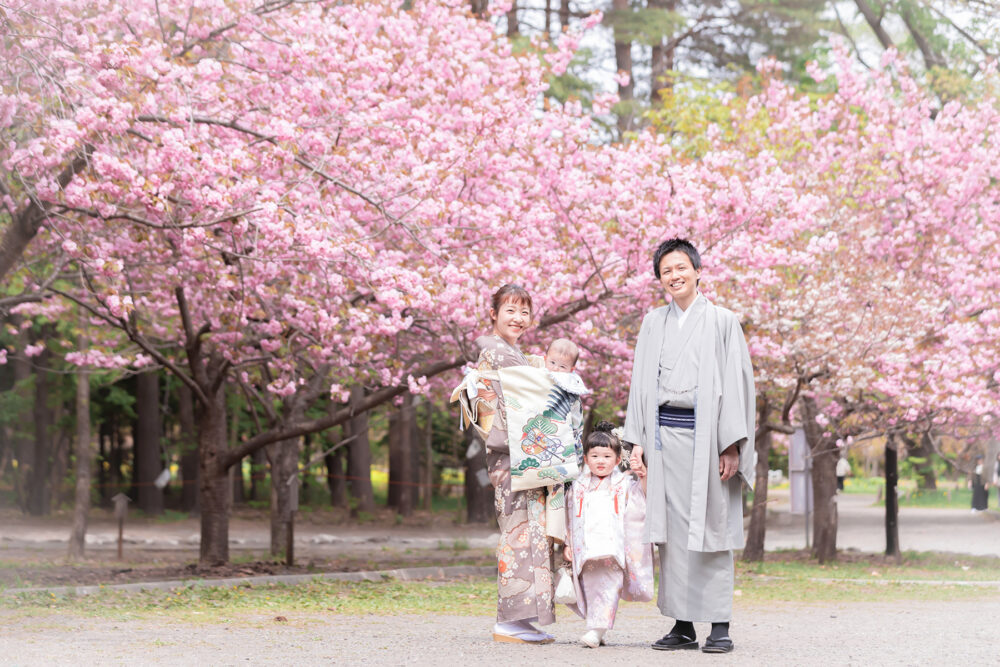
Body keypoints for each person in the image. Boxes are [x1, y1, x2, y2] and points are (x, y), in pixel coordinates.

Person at [623, 238, 755, 655]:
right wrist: (636, 441)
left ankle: (719, 625)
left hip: (708, 441)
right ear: (660, 279)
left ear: (698, 271)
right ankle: (682, 625)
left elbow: (737, 383)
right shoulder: (653, 323)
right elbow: (639, 384)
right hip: (663, 440)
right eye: (666, 271)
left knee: (711, 528)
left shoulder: (723, 321)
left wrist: (730, 445)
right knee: (672, 534)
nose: (674, 276)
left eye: (681, 267)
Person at [473, 284, 555, 644]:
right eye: (510, 310)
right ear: (494, 314)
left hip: (522, 455)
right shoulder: (495, 351)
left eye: (524, 312)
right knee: (517, 532)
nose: (518, 318)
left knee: (529, 530)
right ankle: (508, 620)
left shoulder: (511, 353)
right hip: (511, 455)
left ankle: (522, 618)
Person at [563, 422, 654, 648]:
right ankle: (598, 628)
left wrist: (643, 476)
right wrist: (567, 543)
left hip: (612, 549)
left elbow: (641, 500)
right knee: (591, 589)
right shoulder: (578, 486)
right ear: (586, 459)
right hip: (586, 548)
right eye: (594, 456)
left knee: (608, 588)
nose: (600, 461)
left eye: (606, 456)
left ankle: (596, 631)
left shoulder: (624, 483)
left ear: (617, 459)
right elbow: (569, 517)